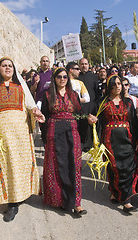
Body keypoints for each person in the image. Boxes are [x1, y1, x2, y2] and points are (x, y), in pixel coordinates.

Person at [0, 57, 45, 222]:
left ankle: (23, 193)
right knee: (7, 164)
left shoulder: (21, 86)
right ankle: (12, 203)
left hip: (20, 132)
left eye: (10, 66)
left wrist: (35, 111)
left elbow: (30, 104)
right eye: (4, 66)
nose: (7, 68)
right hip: (1, 133)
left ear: (14, 70)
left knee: (21, 163)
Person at [40, 67, 87, 216]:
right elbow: (45, 117)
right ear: (54, 78)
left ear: (68, 78)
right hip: (54, 132)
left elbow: (80, 114)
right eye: (59, 76)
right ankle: (59, 200)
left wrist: (89, 120)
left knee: (73, 165)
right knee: (56, 165)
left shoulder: (73, 95)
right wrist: (44, 131)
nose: (62, 79)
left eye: (65, 77)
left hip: (71, 133)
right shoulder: (47, 95)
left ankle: (76, 202)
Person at [90, 75, 138, 213]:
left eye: (120, 84)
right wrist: (92, 120)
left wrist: (136, 140)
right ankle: (115, 191)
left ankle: (126, 200)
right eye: (115, 84)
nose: (118, 86)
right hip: (110, 140)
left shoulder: (128, 102)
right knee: (114, 168)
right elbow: (95, 118)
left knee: (128, 168)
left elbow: (134, 123)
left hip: (127, 139)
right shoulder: (102, 102)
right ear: (109, 86)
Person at [78, 58, 100, 151]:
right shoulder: (77, 78)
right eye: (82, 64)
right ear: (79, 66)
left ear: (88, 65)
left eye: (85, 64)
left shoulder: (94, 77)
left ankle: (89, 144)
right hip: (81, 104)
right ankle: (82, 142)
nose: (84, 66)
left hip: (91, 104)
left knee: (90, 124)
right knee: (81, 123)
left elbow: (97, 92)